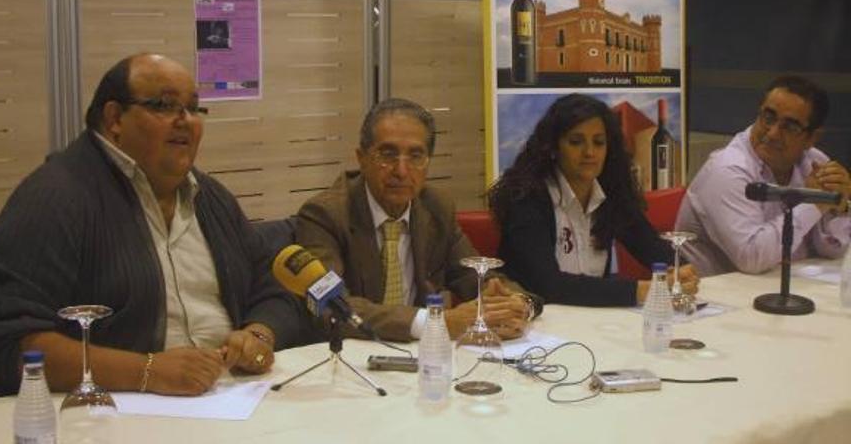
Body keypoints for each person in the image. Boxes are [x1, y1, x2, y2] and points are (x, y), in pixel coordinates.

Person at [0, 53, 308, 399]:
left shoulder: (210, 197)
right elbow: (8, 343)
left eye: (194, 109)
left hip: (230, 398)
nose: (186, 121)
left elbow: (273, 287)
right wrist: (147, 371)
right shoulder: (55, 197)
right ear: (115, 118)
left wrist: (258, 334)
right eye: (165, 106)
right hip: (106, 412)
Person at [295, 98, 540, 342]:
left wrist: (517, 304)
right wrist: (436, 323)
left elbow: (473, 277)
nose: (401, 171)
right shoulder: (325, 214)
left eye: (415, 156)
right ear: (361, 158)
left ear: (428, 162)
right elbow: (330, 305)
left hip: (421, 359)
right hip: (350, 356)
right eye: (387, 154)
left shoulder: (435, 207)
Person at [488, 94, 698, 306]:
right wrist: (643, 289)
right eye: (576, 142)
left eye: (598, 143)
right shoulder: (527, 199)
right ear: (552, 147)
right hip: (536, 323)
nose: (589, 152)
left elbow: (653, 248)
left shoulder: (611, 193)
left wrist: (680, 271)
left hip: (594, 321)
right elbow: (549, 286)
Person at [676, 76, 851, 276]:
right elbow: (752, 258)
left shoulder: (815, 164)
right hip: (717, 294)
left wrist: (840, 208)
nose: (773, 133)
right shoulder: (726, 170)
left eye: (790, 127)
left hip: (784, 283)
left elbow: (833, 250)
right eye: (768, 117)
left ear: (812, 138)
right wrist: (814, 202)